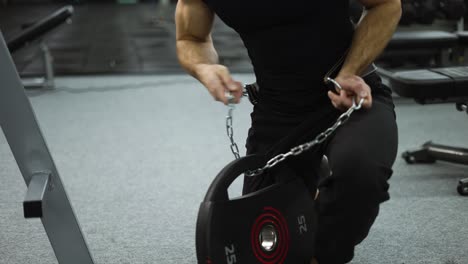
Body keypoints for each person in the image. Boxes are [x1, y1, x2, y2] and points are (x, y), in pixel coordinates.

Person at [175, 0, 401, 263]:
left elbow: (386, 4)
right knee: (266, 236)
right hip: (278, 110)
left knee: (358, 175)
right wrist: (203, 66)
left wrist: (350, 70)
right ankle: (315, 187)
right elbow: (191, 38)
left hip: (348, 95)